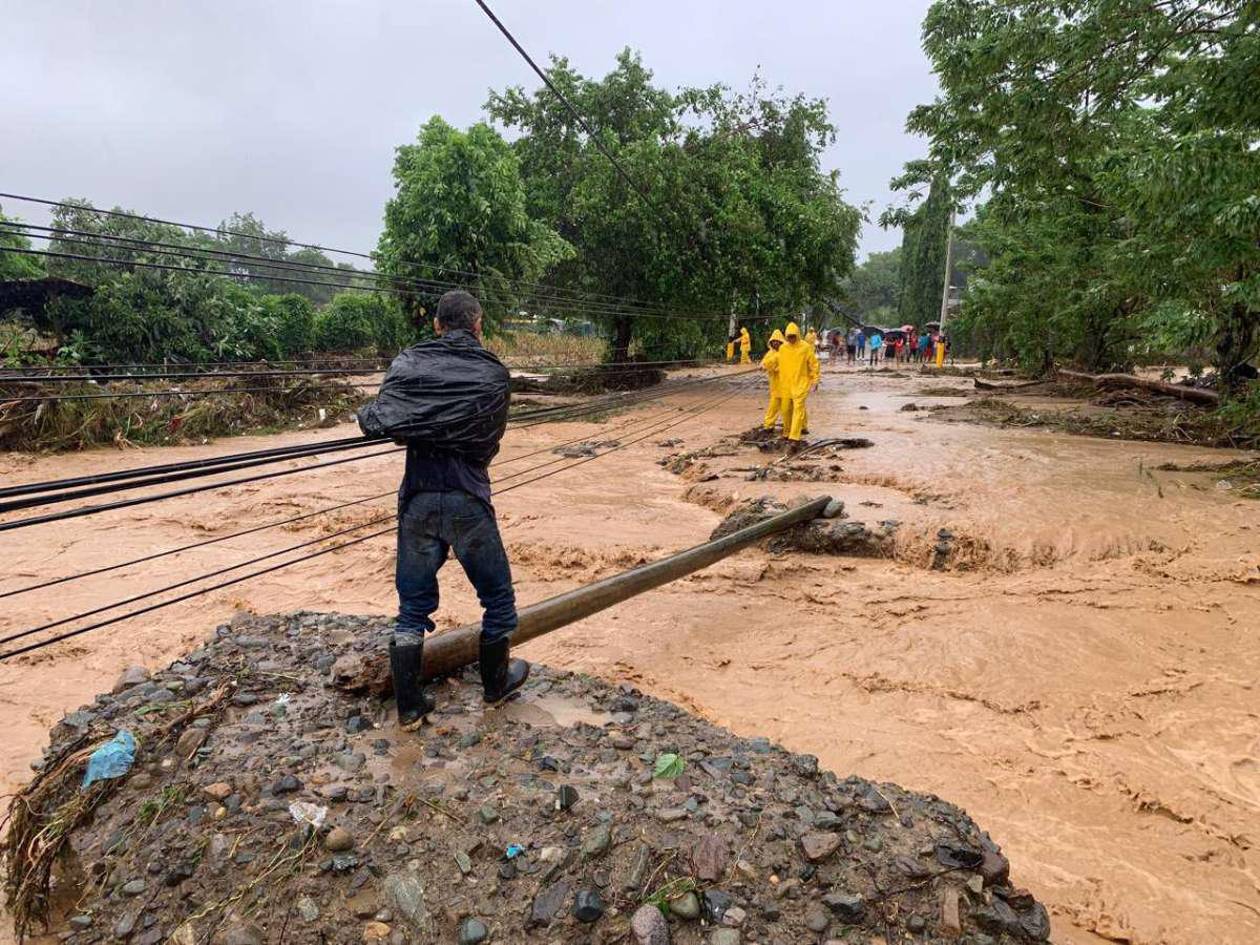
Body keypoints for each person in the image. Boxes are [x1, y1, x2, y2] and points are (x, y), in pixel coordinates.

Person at [358, 290, 528, 726]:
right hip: (467, 499)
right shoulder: (492, 374)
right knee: (498, 600)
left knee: (412, 608)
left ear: (437, 325)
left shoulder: (409, 364)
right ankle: (496, 687)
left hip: (418, 499)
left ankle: (410, 708)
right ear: (478, 325)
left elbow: (381, 420)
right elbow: (487, 441)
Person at [777, 321, 820, 449]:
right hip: (786, 385)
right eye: (789, 336)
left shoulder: (805, 347)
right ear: (786, 336)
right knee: (785, 410)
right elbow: (776, 360)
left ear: (797, 335)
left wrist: (815, 380)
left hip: (801, 384)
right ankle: (786, 432)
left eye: (793, 336)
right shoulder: (783, 348)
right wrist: (766, 365)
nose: (791, 338)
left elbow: (814, 364)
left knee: (798, 409)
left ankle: (794, 437)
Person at [761, 329, 785, 430]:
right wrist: (763, 366)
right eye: (773, 341)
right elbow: (764, 363)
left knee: (789, 408)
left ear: (781, 341)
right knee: (773, 407)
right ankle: (768, 425)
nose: (775, 343)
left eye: (777, 341)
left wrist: (777, 369)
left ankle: (798, 427)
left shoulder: (786, 352)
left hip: (786, 386)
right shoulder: (770, 353)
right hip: (775, 386)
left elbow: (789, 365)